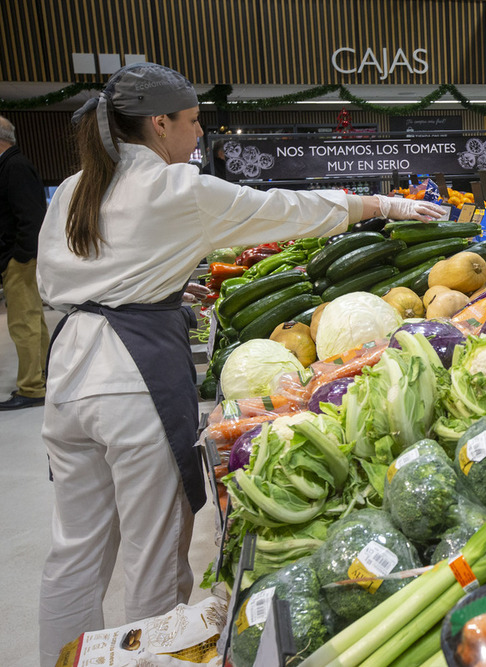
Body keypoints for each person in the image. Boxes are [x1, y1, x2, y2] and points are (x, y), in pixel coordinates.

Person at [35, 62, 444, 666]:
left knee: (75, 550)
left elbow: (75, 283)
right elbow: (282, 208)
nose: (198, 134)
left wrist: (162, 286)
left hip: (69, 380)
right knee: (153, 548)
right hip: (133, 380)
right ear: (159, 123)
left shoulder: (73, 189)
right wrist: (385, 203)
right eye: (193, 121)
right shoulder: (177, 189)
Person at [0, 115, 50, 410]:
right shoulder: (13, 166)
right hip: (21, 257)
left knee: (24, 323)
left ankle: (31, 388)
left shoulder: (15, 167)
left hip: (21, 259)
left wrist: (20, 256)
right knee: (32, 320)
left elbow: (30, 218)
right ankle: (42, 376)